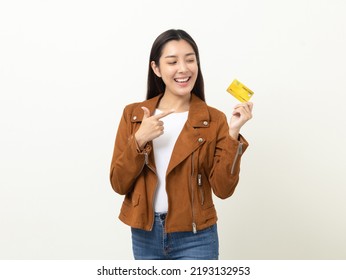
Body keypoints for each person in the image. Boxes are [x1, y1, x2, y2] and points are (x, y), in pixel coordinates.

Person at [109, 29, 253, 260]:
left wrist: (233, 134)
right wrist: (139, 139)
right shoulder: (134, 115)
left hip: (197, 237)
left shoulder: (213, 119)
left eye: (190, 59)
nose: (183, 68)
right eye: (172, 61)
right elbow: (118, 183)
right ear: (156, 68)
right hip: (145, 235)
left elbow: (223, 190)